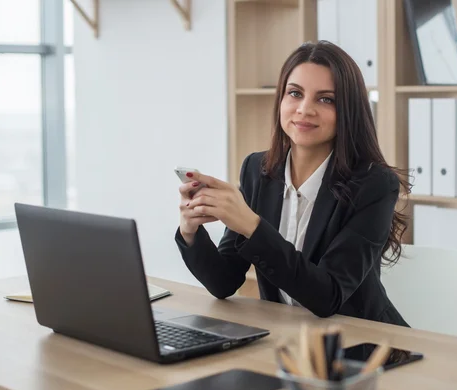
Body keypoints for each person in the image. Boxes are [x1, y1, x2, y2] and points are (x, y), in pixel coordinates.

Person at [175, 40, 410, 327]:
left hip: (360, 343)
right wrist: (190, 230)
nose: (304, 109)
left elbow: (329, 296)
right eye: (295, 93)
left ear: (348, 110)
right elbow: (224, 282)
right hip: (287, 340)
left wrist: (250, 224)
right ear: (281, 100)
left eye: (326, 99)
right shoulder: (257, 170)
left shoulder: (375, 185)